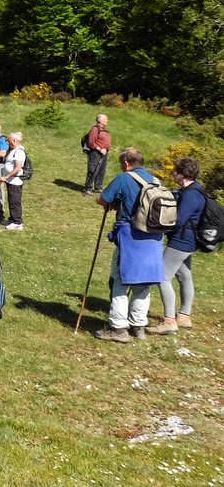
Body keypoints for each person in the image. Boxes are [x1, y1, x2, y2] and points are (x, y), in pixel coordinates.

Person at [94, 148, 166, 343]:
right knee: (143, 283)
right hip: (154, 238)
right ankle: (138, 326)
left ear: (126, 163)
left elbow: (103, 199)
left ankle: (119, 329)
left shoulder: (124, 178)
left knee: (120, 281)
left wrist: (110, 202)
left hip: (130, 237)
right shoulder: (155, 181)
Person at [147, 157, 205, 334]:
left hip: (181, 241)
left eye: (175, 171)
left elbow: (179, 220)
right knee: (184, 275)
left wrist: (158, 227)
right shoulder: (196, 190)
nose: (172, 173)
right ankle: (184, 317)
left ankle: (169, 321)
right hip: (189, 240)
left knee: (162, 277)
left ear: (182, 174)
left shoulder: (190, 194)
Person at [0, 132, 26, 231]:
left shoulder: (19, 152)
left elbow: (18, 168)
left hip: (15, 181)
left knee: (15, 202)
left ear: (14, 140)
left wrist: (6, 176)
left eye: (8, 141)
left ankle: (18, 222)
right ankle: (12, 219)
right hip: (10, 180)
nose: (7, 142)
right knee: (11, 200)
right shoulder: (12, 150)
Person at [84, 114, 112, 196]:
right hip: (96, 153)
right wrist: (100, 149)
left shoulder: (104, 130)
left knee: (101, 170)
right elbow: (91, 143)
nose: (107, 121)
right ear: (100, 120)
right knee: (93, 170)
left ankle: (98, 187)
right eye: (105, 119)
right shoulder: (95, 129)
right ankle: (88, 188)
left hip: (104, 153)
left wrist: (106, 149)